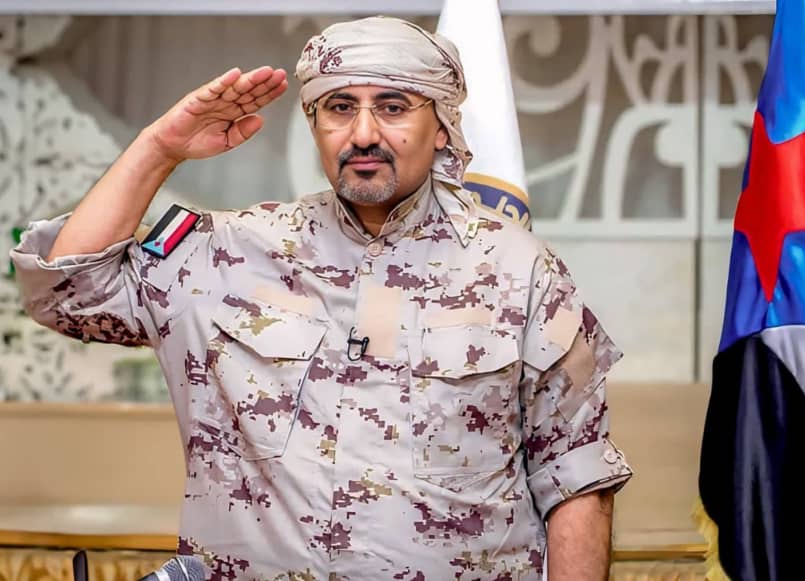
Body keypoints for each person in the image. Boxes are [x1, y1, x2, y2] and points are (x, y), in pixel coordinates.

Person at [12, 16, 631, 581]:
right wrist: (159, 150)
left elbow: (575, 474)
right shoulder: (230, 254)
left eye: (393, 107)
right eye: (339, 107)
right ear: (314, 123)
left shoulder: (520, 269)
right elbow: (67, 292)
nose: (363, 133)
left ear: (442, 125)